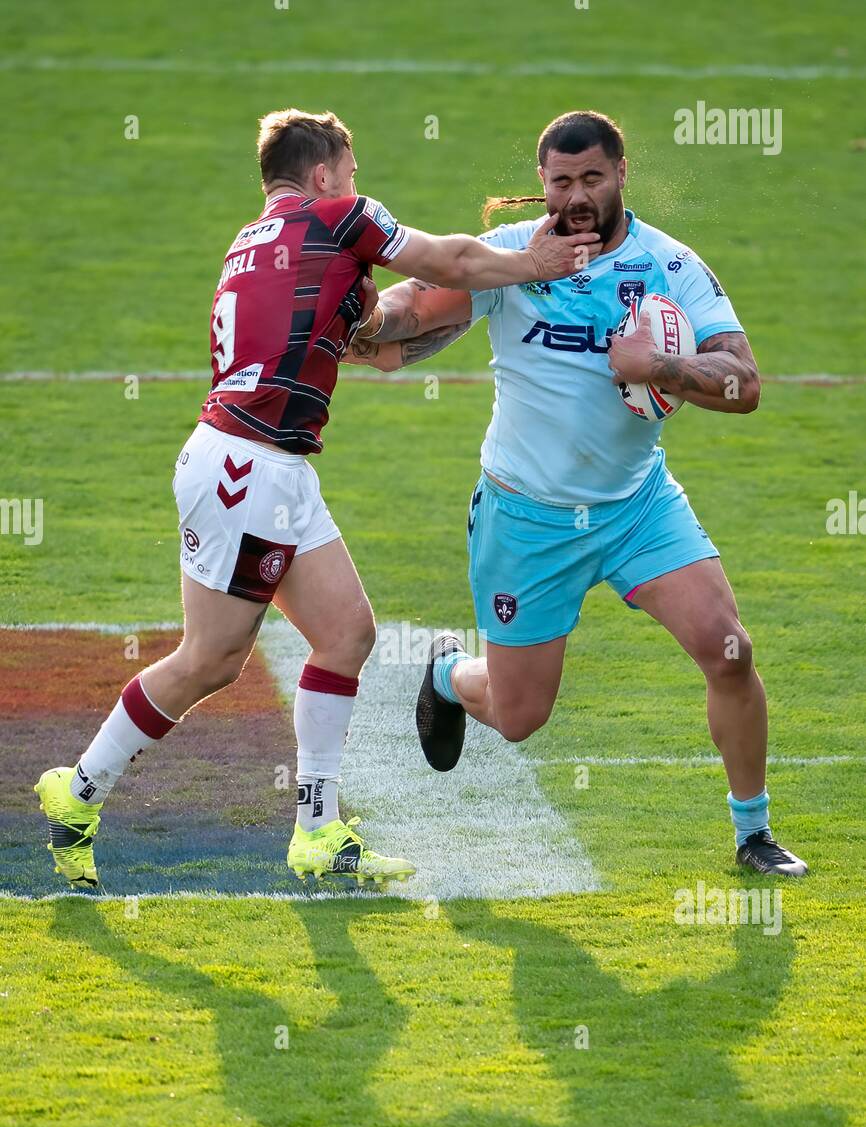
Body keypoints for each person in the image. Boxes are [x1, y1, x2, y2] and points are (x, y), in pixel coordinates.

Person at [35, 107, 594, 890]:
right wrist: (532, 265)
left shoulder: (253, 243)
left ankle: (318, 832)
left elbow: (377, 346)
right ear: (325, 174)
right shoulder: (341, 217)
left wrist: (453, 313)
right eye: (353, 172)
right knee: (211, 661)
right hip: (248, 469)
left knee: (346, 634)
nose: (360, 186)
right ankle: (79, 791)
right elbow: (451, 259)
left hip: (270, 467)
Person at [345, 109, 807, 876]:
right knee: (520, 717)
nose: (577, 195)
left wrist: (657, 368)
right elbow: (404, 318)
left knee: (730, 652)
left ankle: (753, 833)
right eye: (562, 182)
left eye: (593, 178)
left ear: (622, 173)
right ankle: (447, 675)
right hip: (526, 519)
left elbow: (746, 382)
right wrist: (359, 318)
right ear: (543, 182)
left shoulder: (671, 266)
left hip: (637, 508)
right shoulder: (506, 259)